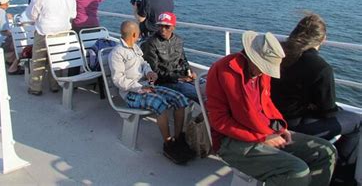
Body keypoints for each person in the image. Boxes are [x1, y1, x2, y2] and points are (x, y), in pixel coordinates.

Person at [206, 31, 336, 186]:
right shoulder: (222, 70)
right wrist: (261, 138)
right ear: (251, 56)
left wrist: (280, 128)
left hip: (263, 131)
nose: (265, 71)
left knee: (326, 152)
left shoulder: (260, 73)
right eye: (264, 66)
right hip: (231, 142)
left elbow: (266, 104)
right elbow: (219, 121)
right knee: (297, 171)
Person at [271, 14, 361, 185]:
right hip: (292, 129)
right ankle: (340, 175)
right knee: (357, 121)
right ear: (323, 39)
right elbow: (328, 111)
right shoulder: (320, 67)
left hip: (269, 121)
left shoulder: (276, 53)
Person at [108, 20, 194, 164]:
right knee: (160, 104)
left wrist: (149, 72)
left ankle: (178, 138)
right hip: (131, 92)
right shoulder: (117, 53)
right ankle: (168, 144)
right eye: (138, 34)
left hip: (146, 85)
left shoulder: (135, 48)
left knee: (180, 99)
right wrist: (139, 88)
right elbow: (118, 80)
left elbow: (144, 64)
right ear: (134, 34)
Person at [25, 0, 76, 95]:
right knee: (56, 60)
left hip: (44, 33)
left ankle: (35, 88)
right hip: (63, 33)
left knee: (38, 61)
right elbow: (73, 15)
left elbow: (31, 16)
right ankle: (54, 85)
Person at [141, 12, 202, 102]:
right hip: (164, 81)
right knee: (198, 94)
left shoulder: (178, 40)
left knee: (210, 87)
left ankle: (203, 115)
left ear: (173, 27)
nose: (163, 29)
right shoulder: (151, 42)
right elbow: (154, 70)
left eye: (167, 27)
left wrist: (189, 72)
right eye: (160, 26)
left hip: (180, 76)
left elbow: (183, 60)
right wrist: (178, 78)